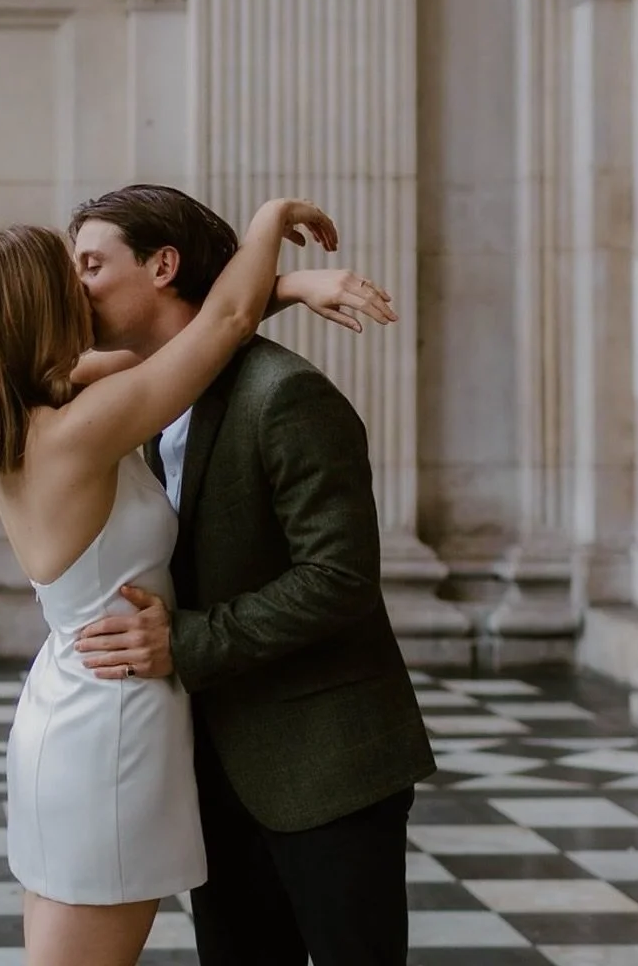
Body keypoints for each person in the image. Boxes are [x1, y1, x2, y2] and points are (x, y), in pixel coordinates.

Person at [0, 197, 366, 966]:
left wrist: (283, 291)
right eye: (69, 278)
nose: (82, 290)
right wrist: (268, 221)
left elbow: (160, 347)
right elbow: (219, 327)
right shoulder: (79, 430)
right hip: (109, 722)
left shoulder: (30, 411)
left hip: (73, 704)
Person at [70, 184, 435, 966]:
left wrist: (186, 642)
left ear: (163, 266)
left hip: (326, 761)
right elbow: (214, 329)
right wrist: (288, 284)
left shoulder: (285, 397)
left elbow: (339, 578)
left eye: (92, 264)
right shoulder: (144, 390)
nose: (78, 285)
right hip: (213, 763)